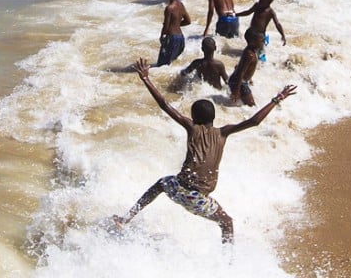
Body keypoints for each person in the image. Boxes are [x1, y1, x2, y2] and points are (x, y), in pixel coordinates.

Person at [106, 57, 296, 244]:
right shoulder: (223, 132)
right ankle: (227, 264)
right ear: (213, 118)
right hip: (198, 199)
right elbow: (254, 121)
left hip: (177, 187)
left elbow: (164, 105)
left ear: (194, 118)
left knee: (160, 184)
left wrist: (146, 78)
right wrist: (277, 98)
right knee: (227, 223)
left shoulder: (192, 128)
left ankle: (126, 218)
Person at [154, 0, 190, 67]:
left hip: (171, 38)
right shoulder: (181, 5)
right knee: (171, 63)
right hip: (180, 38)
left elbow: (166, 26)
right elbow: (188, 21)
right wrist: (176, 24)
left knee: (162, 65)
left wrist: (162, 36)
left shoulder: (169, 8)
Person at [227, 28, 264, 106]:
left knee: (239, 104)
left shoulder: (251, 51)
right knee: (252, 106)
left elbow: (240, 67)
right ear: (252, 42)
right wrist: (237, 90)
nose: (263, 43)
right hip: (239, 82)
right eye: (261, 41)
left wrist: (249, 78)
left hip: (240, 81)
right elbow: (241, 72)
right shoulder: (249, 55)